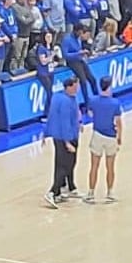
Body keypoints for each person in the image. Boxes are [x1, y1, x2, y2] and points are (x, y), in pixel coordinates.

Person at [43, 76, 81, 209]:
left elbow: (51, 115)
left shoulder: (58, 97)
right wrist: (67, 142)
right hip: (66, 137)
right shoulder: (65, 102)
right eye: (76, 86)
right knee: (66, 165)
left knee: (62, 164)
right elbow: (65, 122)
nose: (78, 88)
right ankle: (53, 192)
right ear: (69, 87)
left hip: (58, 136)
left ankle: (68, 187)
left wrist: (46, 132)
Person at [83, 78, 122, 203]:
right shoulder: (115, 103)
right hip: (111, 137)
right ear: (109, 87)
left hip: (97, 135)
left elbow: (90, 114)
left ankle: (90, 193)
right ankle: (110, 193)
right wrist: (119, 137)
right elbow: (118, 122)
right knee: (110, 167)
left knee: (94, 166)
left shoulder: (93, 100)